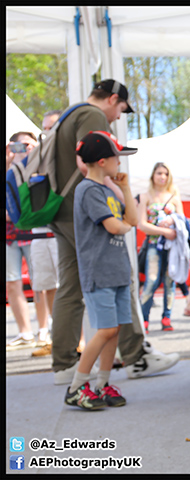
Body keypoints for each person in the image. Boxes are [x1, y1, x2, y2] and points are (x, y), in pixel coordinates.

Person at [49, 79, 179, 385]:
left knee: (69, 289)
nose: (118, 116)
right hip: (90, 217)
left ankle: (64, 364)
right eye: (121, 108)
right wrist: (121, 200)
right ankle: (136, 356)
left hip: (64, 212)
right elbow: (88, 164)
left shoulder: (69, 113)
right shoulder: (92, 116)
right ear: (112, 99)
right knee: (119, 278)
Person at [64, 130, 138, 410]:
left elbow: (133, 219)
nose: (120, 163)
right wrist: (127, 225)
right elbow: (116, 226)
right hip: (99, 272)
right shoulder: (88, 190)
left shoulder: (108, 189)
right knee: (106, 329)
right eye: (116, 157)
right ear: (103, 161)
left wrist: (127, 189)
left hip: (117, 270)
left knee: (115, 329)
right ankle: (76, 386)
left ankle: (102, 384)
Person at [6, 132, 47, 349]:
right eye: (17, 145)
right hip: (9, 236)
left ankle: (43, 330)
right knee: (12, 283)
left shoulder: (40, 166)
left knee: (39, 282)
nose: (22, 149)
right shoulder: (9, 170)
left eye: (27, 144)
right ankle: (25, 332)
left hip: (33, 233)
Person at [30, 110, 63, 357]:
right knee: (47, 286)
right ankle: (56, 335)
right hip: (37, 231)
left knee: (65, 287)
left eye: (50, 127)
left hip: (60, 231)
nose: (46, 132)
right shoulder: (35, 156)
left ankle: (77, 338)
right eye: (43, 127)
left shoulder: (68, 154)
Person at [137, 162, 185, 333]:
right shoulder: (145, 197)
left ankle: (167, 317)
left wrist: (173, 222)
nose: (162, 177)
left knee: (169, 281)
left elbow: (183, 221)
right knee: (150, 281)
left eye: (165, 173)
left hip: (172, 247)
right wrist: (163, 231)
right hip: (153, 245)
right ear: (153, 176)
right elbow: (141, 224)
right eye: (159, 173)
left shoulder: (175, 197)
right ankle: (144, 318)